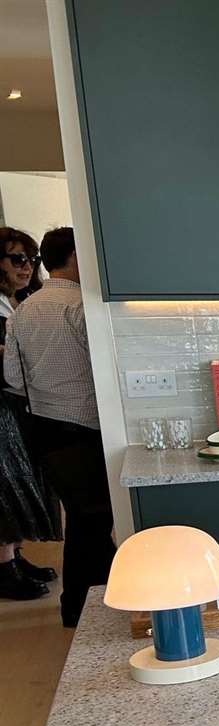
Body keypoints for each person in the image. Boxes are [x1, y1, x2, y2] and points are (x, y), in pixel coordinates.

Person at [3, 227, 112, 625]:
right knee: (94, 523)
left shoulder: (25, 309)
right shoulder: (84, 307)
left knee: (82, 519)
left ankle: (78, 608)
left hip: (45, 430)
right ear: (76, 258)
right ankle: (89, 610)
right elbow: (105, 371)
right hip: (87, 428)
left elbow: (13, 377)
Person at [0, 226, 60, 601]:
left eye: (32, 259)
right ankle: (5, 566)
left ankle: (14, 557)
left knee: (18, 483)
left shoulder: (16, 302)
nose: (26, 267)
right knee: (5, 487)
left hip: (13, 404)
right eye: (17, 258)